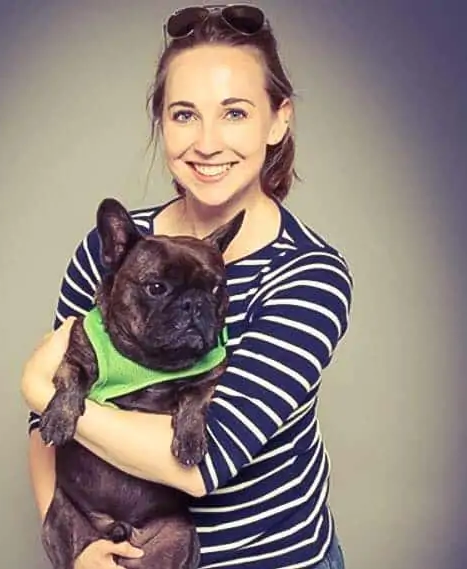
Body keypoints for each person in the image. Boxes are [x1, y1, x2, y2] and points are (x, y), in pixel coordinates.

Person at [21, 4, 353, 569]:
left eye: (234, 113)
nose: (207, 142)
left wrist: (38, 388)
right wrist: (73, 548)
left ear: (278, 120)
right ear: (161, 124)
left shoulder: (309, 276)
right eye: (183, 115)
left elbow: (201, 462)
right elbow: (47, 431)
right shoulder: (115, 254)